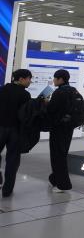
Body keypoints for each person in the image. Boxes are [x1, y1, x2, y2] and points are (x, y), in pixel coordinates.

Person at [0, 69, 32, 198]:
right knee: (12, 160)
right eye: (29, 79)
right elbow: (26, 115)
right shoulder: (25, 95)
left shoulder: (2, 90)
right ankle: (7, 190)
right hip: (16, 130)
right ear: (21, 79)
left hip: (0, 127)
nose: (30, 81)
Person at [46, 69, 79, 193]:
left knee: (57, 156)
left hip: (58, 128)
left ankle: (63, 185)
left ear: (60, 79)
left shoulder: (59, 92)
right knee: (62, 154)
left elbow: (51, 109)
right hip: (68, 128)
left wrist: (46, 103)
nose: (53, 80)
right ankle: (54, 179)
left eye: (55, 78)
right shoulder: (73, 91)